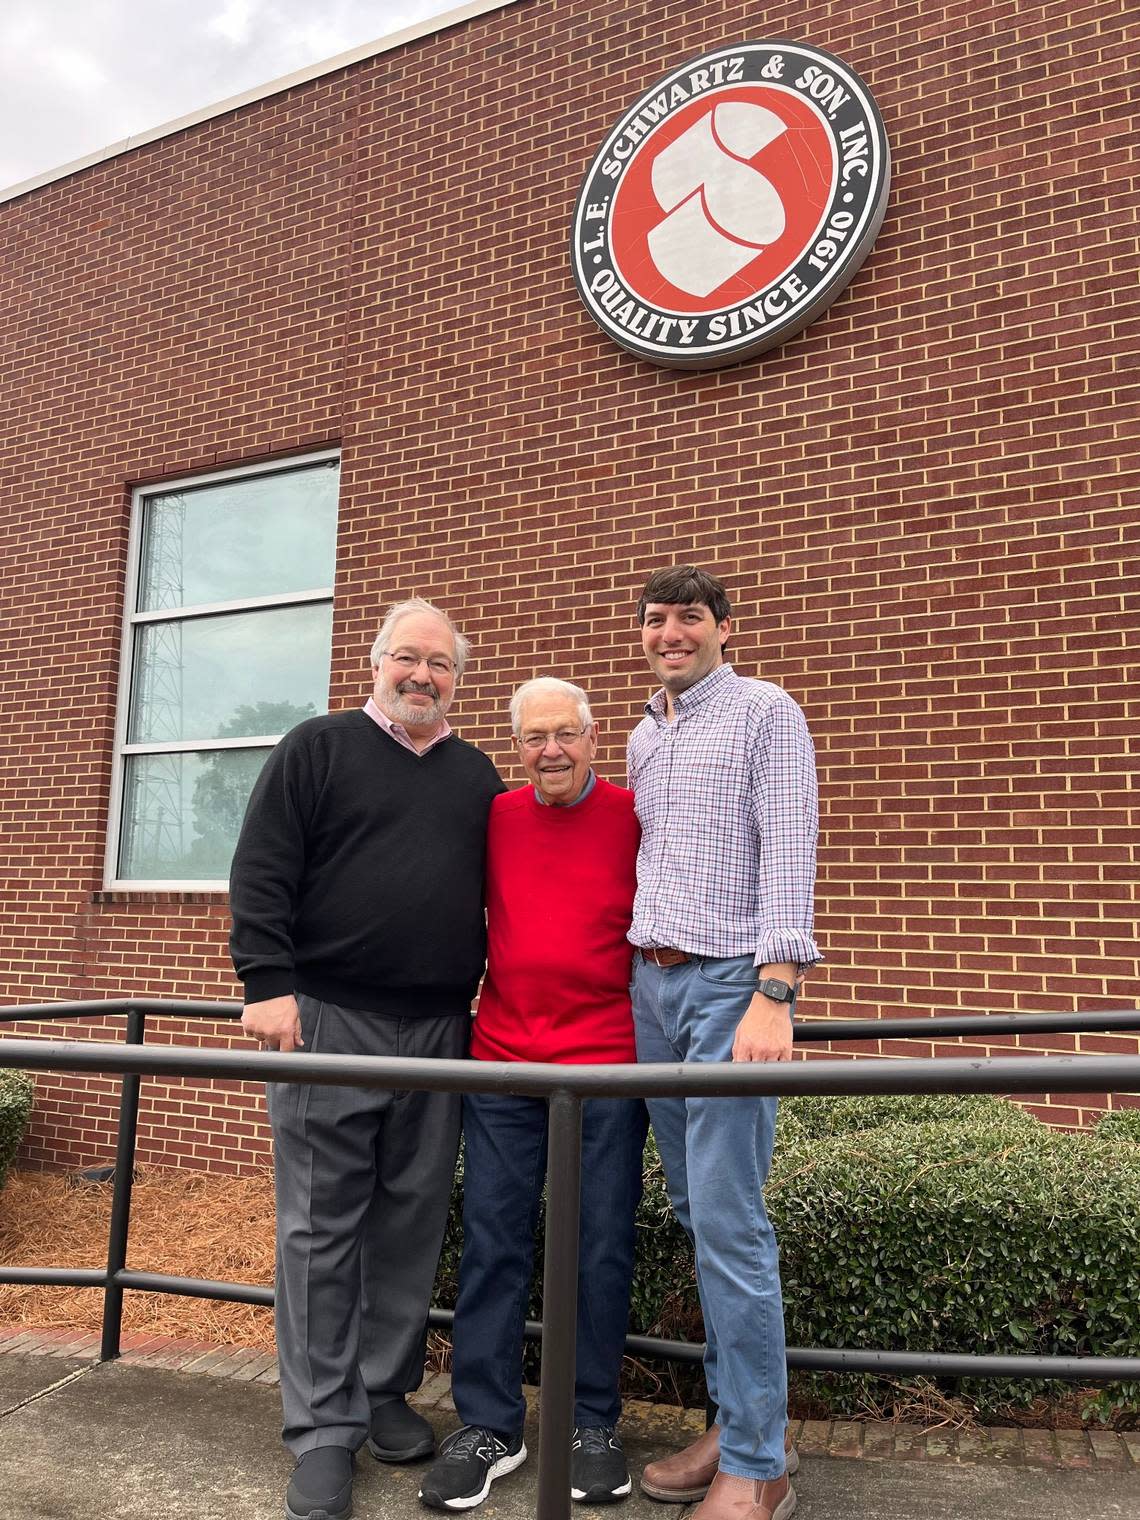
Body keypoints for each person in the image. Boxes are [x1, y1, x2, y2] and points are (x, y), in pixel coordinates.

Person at [229, 598, 504, 1520]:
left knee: (411, 1217)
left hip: (439, 1031)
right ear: (374, 663)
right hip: (328, 1020)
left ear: (457, 679)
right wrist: (266, 982)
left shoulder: (477, 775)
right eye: (407, 658)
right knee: (319, 1225)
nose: (422, 675)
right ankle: (321, 1430)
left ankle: (382, 1388)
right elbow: (263, 865)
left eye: (440, 664)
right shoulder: (318, 747)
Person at [419, 677, 647, 1512]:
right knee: (493, 1239)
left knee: (598, 1247)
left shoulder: (633, 814)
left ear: (594, 737)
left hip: (607, 1066)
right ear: (515, 747)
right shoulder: (497, 819)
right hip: (505, 1061)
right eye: (532, 737)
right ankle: (489, 1426)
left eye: (565, 734)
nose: (550, 751)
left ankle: (591, 1422)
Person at [627, 567, 821, 1520]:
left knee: (732, 1219)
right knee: (695, 1210)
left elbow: (789, 843)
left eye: (689, 618)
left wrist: (775, 989)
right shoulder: (643, 733)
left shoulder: (764, 712)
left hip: (725, 985)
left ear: (722, 628)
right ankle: (739, 1419)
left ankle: (759, 1461)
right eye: (657, 620)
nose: (672, 632)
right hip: (650, 987)